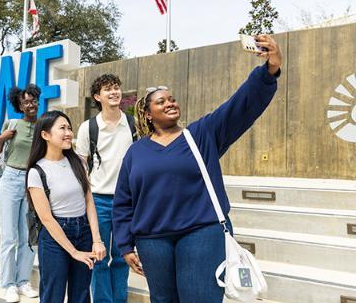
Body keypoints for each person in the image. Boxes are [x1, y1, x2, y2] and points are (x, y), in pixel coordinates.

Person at [112, 34, 282, 303]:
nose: (170, 103)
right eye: (161, 101)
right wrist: (124, 245)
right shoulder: (136, 152)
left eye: (172, 99)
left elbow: (239, 107)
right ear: (147, 114)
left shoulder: (201, 134)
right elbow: (123, 202)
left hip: (201, 233)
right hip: (153, 241)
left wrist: (269, 71)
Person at [26, 110, 106, 303]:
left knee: (81, 295)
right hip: (55, 236)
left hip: (84, 231)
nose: (69, 132)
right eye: (62, 128)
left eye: (69, 127)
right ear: (45, 135)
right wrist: (73, 252)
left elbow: (89, 201)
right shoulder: (37, 172)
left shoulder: (78, 162)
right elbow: (46, 218)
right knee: (54, 294)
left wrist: (97, 239)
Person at [76, 74, 133, 303]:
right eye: (108, 89)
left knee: (122, 258)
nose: (114, 92)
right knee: (99, 258)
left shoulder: (132, 123)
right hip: (98, 200)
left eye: (117, 87)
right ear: (97, 96)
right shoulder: (88, 128)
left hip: (126, 201)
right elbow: (81, 166)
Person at [0, 84, 41, 303]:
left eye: (33, 100)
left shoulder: (43, 126)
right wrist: (2, 137)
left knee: (28, 236)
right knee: (9, 236)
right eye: (25, 102)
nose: (30, 105)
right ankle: (9, 284)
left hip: (32, 182)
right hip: (11, 179)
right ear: (19, 105)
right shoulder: (13, 124)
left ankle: (23, 281)